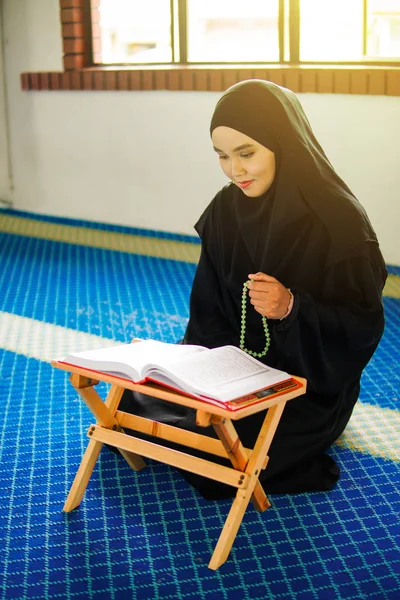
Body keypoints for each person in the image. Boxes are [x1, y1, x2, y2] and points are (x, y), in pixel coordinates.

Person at [117, 79, 387, 499]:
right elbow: (207, 314)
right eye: (222, 156)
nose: (235, 169)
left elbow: (362, 325)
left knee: (219, 462)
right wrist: (208, 373)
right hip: (232, 372)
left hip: (308, 384)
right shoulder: (227, 209)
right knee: (131, 405)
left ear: (283, 143)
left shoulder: (340, 221)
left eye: (247, 153)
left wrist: (292, 309)